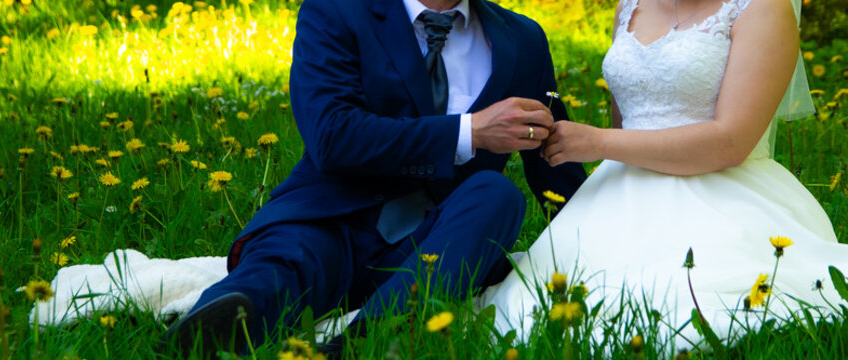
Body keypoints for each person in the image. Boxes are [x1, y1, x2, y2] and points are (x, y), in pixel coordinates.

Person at [162, 0, 587, 355]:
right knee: (285, 264)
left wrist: (605, 243)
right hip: (331, 218)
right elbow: (332, 136)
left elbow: (556, 162)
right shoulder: (338, 10)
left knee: (498, 194)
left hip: (435, 246)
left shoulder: (525, 41)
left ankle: (367, 340)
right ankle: (218, 325)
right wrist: (469, 132)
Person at [480, 0, 848, 345]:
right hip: (620, 192)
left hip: (723, 191)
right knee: (545, 304)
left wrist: (599, 143)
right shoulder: (630, 7)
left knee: (689, 300)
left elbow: (732, 142)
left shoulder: (762, 9)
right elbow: (627, 118)